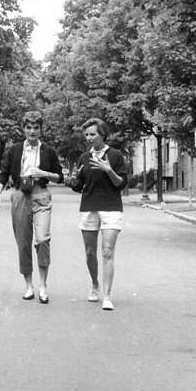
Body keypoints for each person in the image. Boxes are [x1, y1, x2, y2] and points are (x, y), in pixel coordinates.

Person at [0, 111, 63, 303]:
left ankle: (43, 285)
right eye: (28, 127)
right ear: (24, 129)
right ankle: (29, 285)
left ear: (41, 129)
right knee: (23, 242)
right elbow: (3, 173)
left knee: (42, 239)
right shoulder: (14, 150)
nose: (32, 131)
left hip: (41, 194)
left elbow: (59, 176)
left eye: (36, 127)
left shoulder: (48, 151)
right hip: (20, 194)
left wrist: (43, 172)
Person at [67, 117, 127, 311]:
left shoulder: (115, 155)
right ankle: (94, 284)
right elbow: (79, 186)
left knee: (107, 251)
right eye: (86, 135)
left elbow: (121, 184)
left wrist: (108, 170)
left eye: (92, 134)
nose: (89, 138)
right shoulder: (84, 158)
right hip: (89, 206)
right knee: (90, 252)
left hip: (111, 206)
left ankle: (107, 296)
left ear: (102, 134)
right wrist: (72, 180)